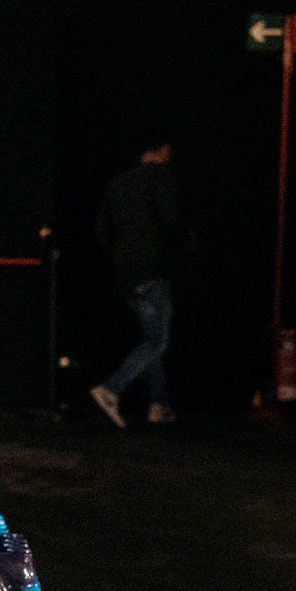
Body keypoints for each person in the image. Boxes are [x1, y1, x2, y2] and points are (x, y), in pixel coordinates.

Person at [89, 134, 188, 427]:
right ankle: (110, 389)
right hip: (151, 272)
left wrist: (121, 257)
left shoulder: (118, 183)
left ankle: (158, 403)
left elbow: (100, 230)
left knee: (150, 338)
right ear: (163, 149)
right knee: (156, 340)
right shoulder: (159, 178)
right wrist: (186, 242)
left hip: (124, 276)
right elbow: (172, 221)